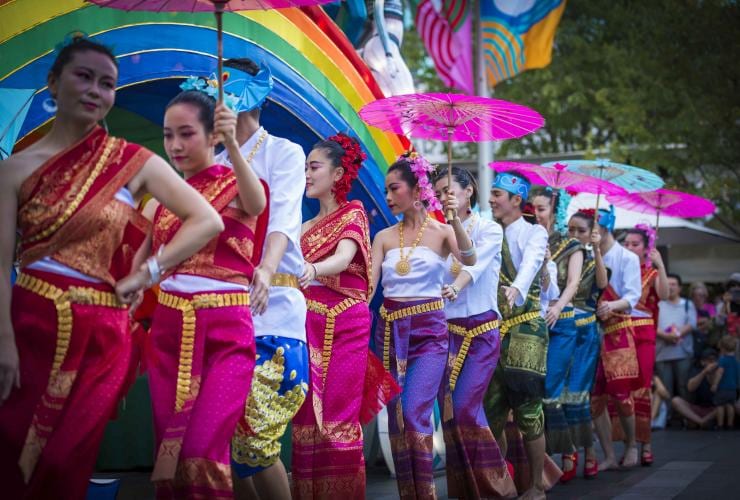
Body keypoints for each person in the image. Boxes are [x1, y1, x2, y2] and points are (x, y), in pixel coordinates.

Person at [0, 36, 224, 499]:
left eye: (107, 84)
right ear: (53, 82)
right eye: (83, 77)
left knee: (66, 460)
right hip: (29, 326)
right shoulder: (14, 170)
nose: (95, 91)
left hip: (102, 335)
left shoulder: (132, 161)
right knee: (14, 452)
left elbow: (207, 219)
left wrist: (148, 274)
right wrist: (3, 340)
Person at [142, 83, 268, 497]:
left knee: (201, 449)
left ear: (212, 135)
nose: (175, 144)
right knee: (170, 455)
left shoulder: (240, 184)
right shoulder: (159, 200)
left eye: (186, 133)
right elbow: (138, 265)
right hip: (168, 331)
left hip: (225, 332)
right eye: (168, 134)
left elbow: (256, 205)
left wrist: (232, 142)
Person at [215, 58, 309, 500]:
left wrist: (267, 271)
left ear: (253, 93)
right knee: (221, 442)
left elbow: (284, 223)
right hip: (221, 310)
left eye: (227, 85)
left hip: (275, 312)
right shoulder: (211, 158)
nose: (219, 95)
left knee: (255, 441)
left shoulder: (284, 152)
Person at [291, 134, 398, 499]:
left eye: (314, 166)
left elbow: (342, 259)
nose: (306, 173)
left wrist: (313, 269)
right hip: (308, 323)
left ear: (338, 174)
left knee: (337, 412)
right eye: (305, 167)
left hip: (345, 323)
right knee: (306, 416)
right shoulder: (303, 228)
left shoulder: (352, 212)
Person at [370, 153, 476, 499]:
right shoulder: (384, 237)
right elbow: (369, 288)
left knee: (415, 412)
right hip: (389, 333)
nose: (387, 196)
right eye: (386, 189)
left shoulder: (443, 231)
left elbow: (469, 259)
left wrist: (453, 220)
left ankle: (427, 493)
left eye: (393, 188)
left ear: (416, 189)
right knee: (398, 420)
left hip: (429, 333)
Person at [433, 167, 516, 498]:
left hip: (480, 330)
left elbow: (474, 265)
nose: (443, 197)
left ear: (468, 191)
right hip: (445, 332)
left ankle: (497, 487)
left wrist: (455, 286)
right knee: (451, 415)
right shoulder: (436, 232)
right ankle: (466, 489)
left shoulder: (490, 229)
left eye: (449, 190)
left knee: (466, 407)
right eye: (438, 192)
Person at [484, 171, 549, 500]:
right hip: (492, 329)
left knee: (527, 410)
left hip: (526, 328)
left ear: (516, 200)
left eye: (497, 193)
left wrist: (518, 289)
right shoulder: (487, 231)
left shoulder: (534, 233)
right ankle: (502, 485)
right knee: (491, 409)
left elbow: (532, 263)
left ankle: (537, 486)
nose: (491, 199)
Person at [532, 188, 585, 483]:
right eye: (533, 208)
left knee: (551, 388)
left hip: (563, 321)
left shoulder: (571, 243)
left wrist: (559, 307)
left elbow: (574, 283)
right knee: (537, 389)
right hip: (536, 320)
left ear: (555, 209)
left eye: (541, 208)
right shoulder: (531, 237)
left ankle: (568, 447)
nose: (537, 214)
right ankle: (547, 456)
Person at [609, 224, 668, 466]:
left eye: (636, 244)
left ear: (647, 248)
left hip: (644, 332)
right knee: (622, 385)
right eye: (627, 243)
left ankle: (646, 444)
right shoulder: (620, 267)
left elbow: (663, 295)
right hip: (620, 328)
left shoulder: (651, 273)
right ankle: (629, 443)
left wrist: (660, 265)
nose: (630, 247)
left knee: (642, 385)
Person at [556, 209, 609, 479]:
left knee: (578, 395)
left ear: (591, 234)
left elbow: (602, 283)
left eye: (581, 231)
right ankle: (570, 451)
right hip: (561, 329)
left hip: (585, 332)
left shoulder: (591, 258)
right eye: (571, 229)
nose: (574, 235)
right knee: (560, 394)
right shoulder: (560, 255)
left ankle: (586, 451)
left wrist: (597, 250)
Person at [590, 206, 642, 470]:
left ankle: (632, 444)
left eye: (593, 227)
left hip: (618, 328)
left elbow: (633, 296)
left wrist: (612, 306)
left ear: (604, 228)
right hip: (591, 329)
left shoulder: (627, 258)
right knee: (595, 396)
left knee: (622, 394)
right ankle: (609, 454)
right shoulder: (588, 254)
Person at [655, 273, 697, 401]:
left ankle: (687, 418)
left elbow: (692, 324)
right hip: (662, 354)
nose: (670, 287)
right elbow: (651, 324)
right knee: (665, 389)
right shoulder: (658, 304)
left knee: (684, 386)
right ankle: (667, 418)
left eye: (673, 284)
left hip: (682, 353)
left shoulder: (687, 304)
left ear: (680, 288)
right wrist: (666, 336)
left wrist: (676, 334)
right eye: (667, 284)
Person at [670, 348, 720, 428]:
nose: (712, 363)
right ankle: (701, 422)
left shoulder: (721, 371)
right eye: (709, 360)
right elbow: (690, 388)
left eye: (714, 360)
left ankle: (703, 421)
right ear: (703, 362)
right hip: (698, 407)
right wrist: (704, 372)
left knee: (726, 405)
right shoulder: (697, 371)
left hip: (714, 409)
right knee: (676, 401)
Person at [711, 336, 738, 429]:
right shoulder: (735, 361)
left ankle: (720, 424)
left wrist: (715, 384)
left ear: (722, 348)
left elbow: (720, 372)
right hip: (733, 388)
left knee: (720, 406)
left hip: (723, 387)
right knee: (730, 405)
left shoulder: (723, 360)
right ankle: (730, 424)